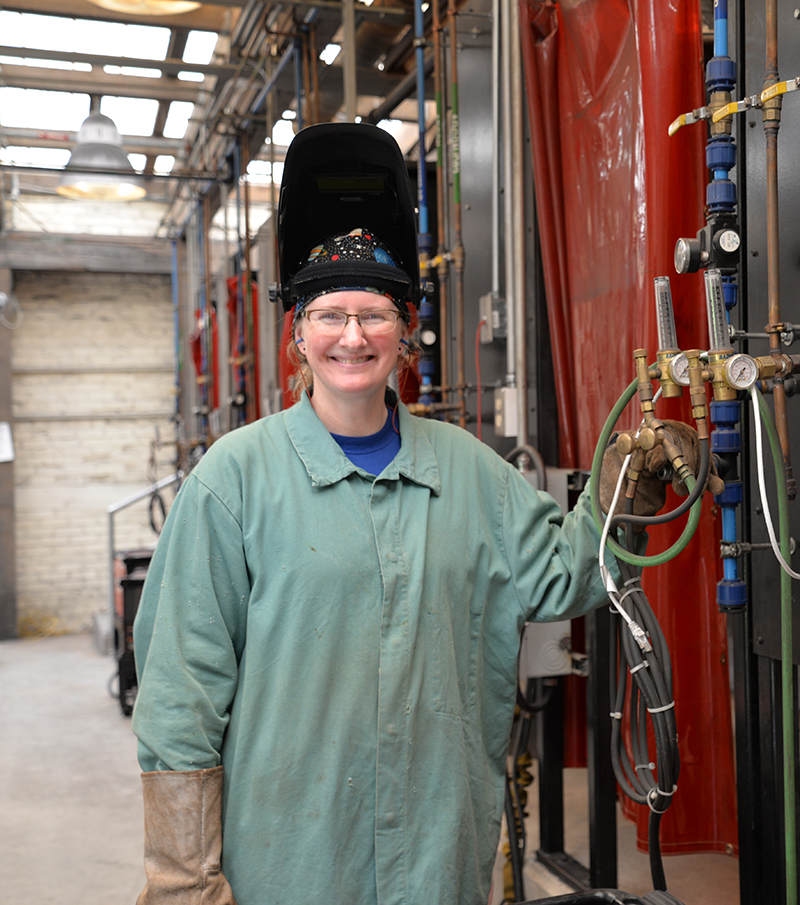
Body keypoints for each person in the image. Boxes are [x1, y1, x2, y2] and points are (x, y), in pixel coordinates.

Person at [131, 217, 701, 905]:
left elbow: (564, 574)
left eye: (374, 314)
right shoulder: (235, 480)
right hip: (288, 863)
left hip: (437, 857)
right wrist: (186, 880)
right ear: (298, 334)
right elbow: (178, 690)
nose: (352, 335)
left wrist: (625, 489)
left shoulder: (468, 471)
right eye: (329, 314)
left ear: (403, 333)